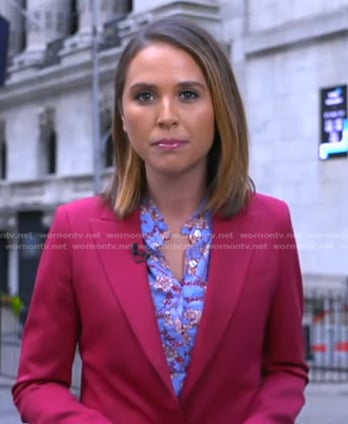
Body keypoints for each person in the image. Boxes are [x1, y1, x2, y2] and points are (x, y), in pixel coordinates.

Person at [12, 16, 308, 424]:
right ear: (121, 115)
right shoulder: (74, 227)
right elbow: (37, 383)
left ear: (219, 107)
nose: (166, 115)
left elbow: (286, 369)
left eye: (188, 94)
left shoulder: (270, 223)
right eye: (146, 96)